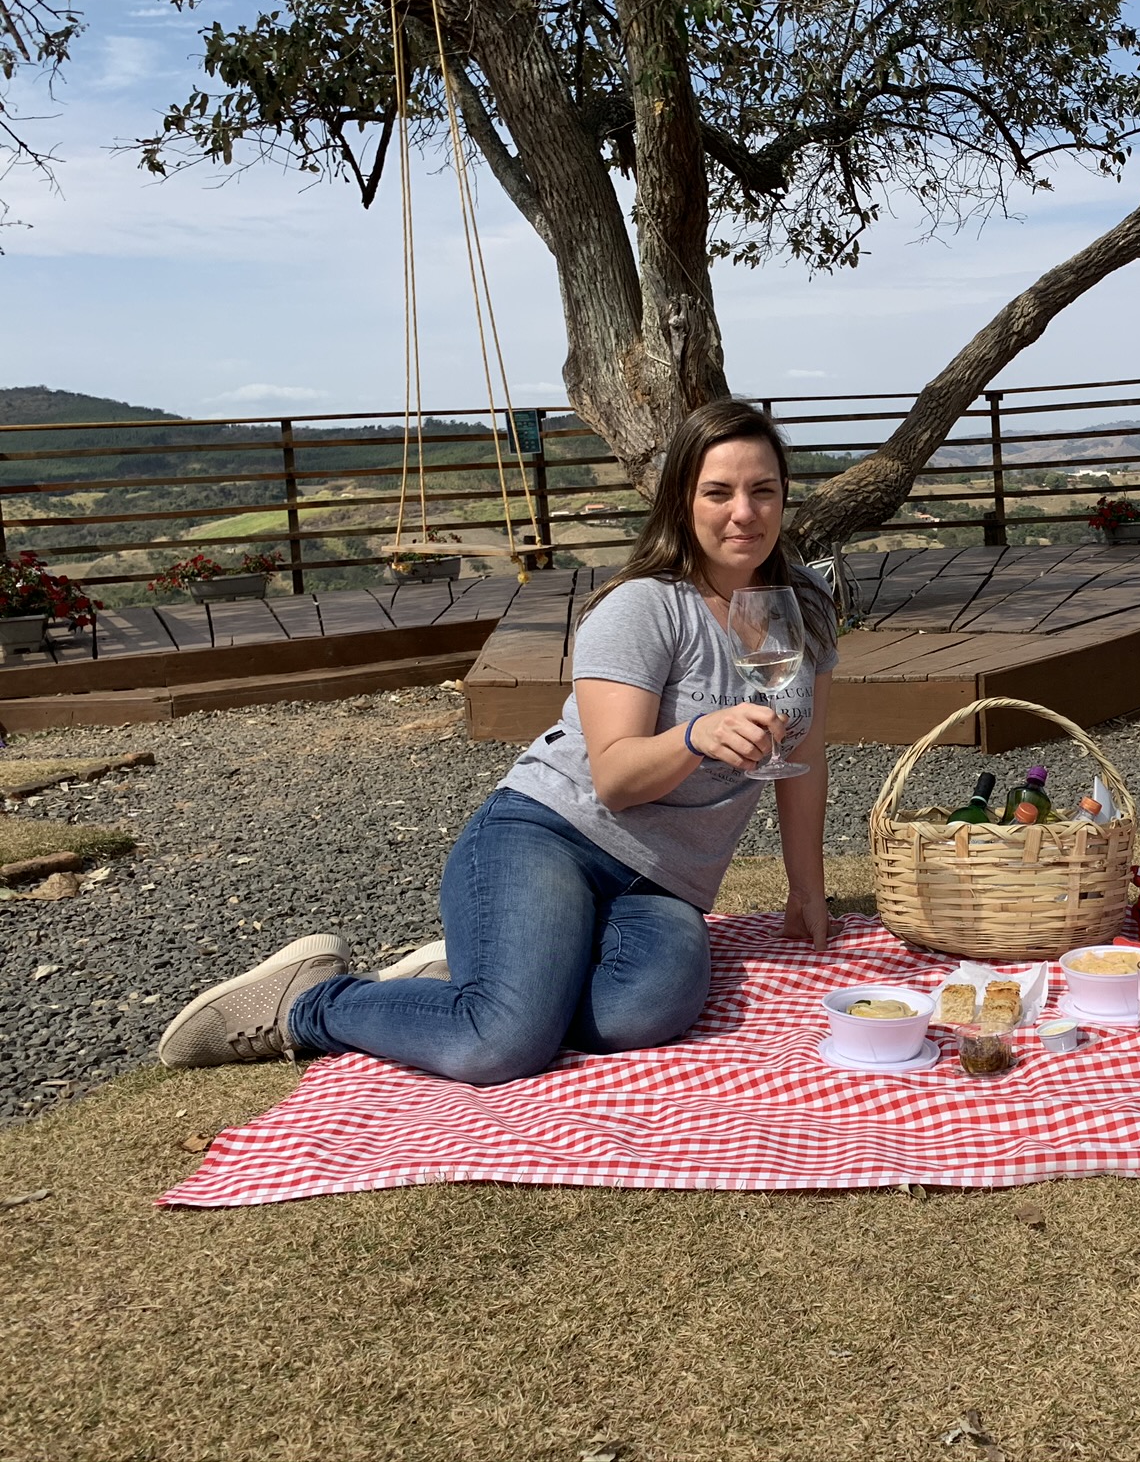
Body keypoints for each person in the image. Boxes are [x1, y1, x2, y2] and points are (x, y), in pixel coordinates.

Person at [157, 400, 839, 1084]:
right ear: (681, 501)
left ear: (784, 497)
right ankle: (310, 1001)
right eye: (717, 492)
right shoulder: (645, 607)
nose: (743, 512)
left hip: (661, 883)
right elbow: (616, 780)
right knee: (501, 1045)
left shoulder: (803, 602)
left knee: (643, 1012)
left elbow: (805, 751)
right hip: (550, 834)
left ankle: (489, 976)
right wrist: (696, 734)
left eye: (763, 490)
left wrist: (807, 887)